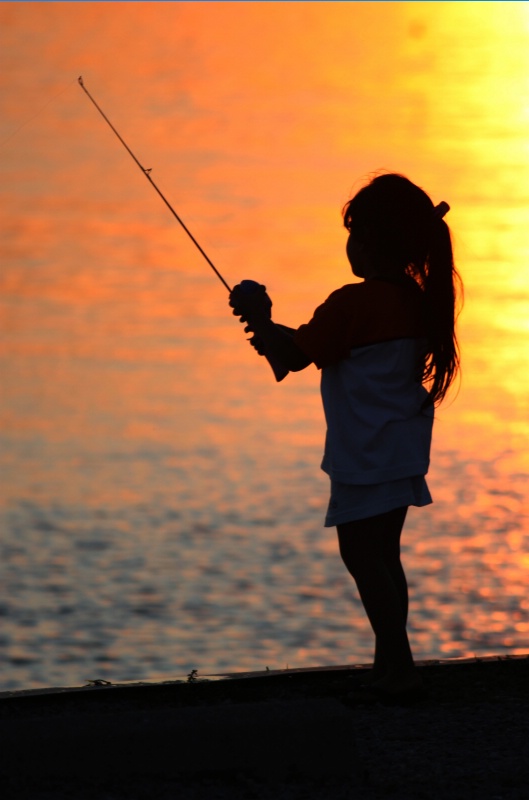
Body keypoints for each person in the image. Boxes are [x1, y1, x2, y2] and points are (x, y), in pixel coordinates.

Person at [229, 173, 462, 702]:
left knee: (361, 556)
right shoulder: (414, 302)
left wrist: (261, 319)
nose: (349, 242)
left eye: (354, 231)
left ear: (373, 241)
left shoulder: (352, 303)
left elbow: (296, 355)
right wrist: (270, 334)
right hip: (400, 448)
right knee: (385, 555)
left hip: (364, 451)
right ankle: (389, 665)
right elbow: (315, 349)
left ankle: (399, 669)